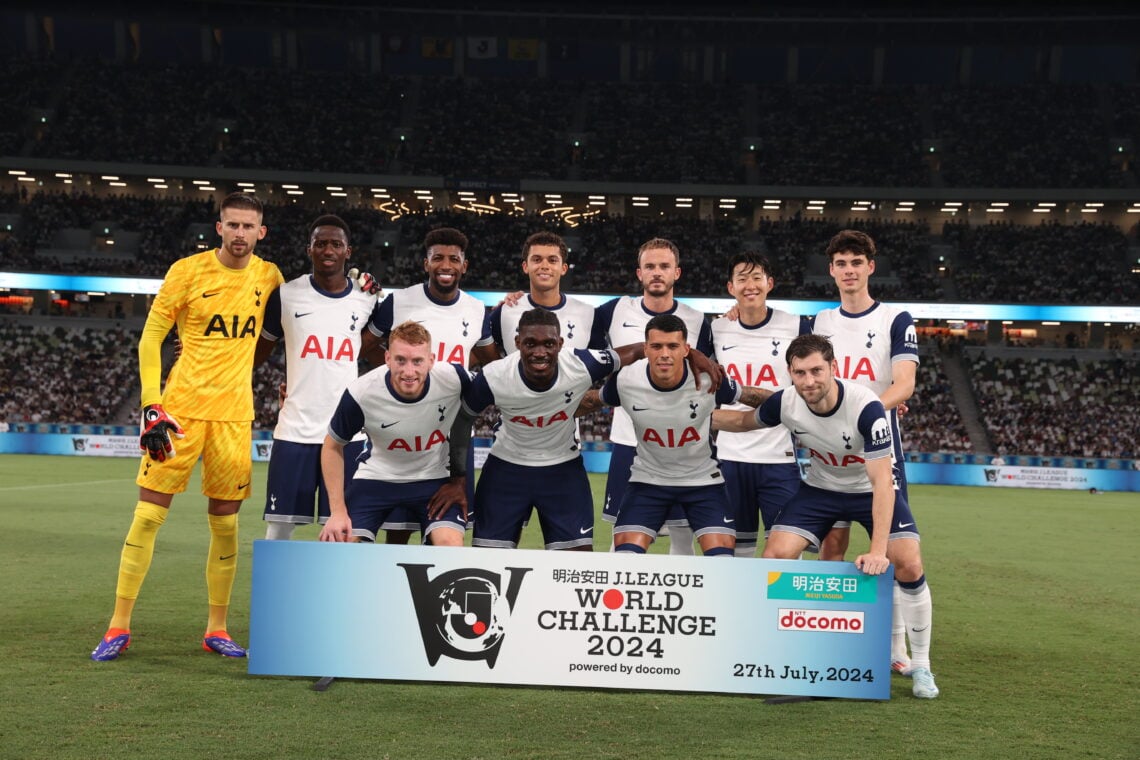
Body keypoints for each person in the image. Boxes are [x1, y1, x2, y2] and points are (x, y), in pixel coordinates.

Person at [91, 192, 284, 661]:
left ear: (262, 233)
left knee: (225, 523)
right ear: (219, 228)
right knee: (149, 515)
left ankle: (217, 628)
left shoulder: (270, 276)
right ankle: (118, 626)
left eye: (248, 227)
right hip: (179, 414)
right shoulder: (187, 271)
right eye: (232, 225)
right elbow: (152, 337)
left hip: (234, 417)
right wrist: (151, 405)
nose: (240, 234)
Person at [713, 334, 938, 699]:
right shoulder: (787, 401)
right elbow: (742, 423)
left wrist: (878, 551)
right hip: (821, 489)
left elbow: (882, 483)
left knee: (908, 563)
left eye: (817, 370)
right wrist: (683, 412)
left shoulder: (866, 408)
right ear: (790, 373)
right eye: (800, 372)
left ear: (833, 368)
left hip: (870, 491)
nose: (809, 380)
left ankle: (922, 665)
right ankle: (784, 651)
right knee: (775, 556)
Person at [812, 229, 921, 677]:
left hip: (879, 451)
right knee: (831, 547)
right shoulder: (819, 322)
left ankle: (895, 648)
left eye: (857, 262)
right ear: (831, 270)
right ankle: (828, 640)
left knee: (896, 555)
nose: (849, 270)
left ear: (870, 267)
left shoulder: (896, 318)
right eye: (841, 263)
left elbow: (904, 383)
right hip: (827, 455)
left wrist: (867, 413)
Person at [462, 309, 651, 551]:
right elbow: (462, 418)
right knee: (488, 561)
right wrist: (457, 477)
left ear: (560, 344)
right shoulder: (494, 376)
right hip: (505, 470)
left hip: (562, 471)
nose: (540, 352)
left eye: (549, 343)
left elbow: (637, 350)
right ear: (517, 343)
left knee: (576, 565)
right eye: (530, 343)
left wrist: (694, 355)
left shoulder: (582, 364)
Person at [581, 314, 765, 557]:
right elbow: (589, 401)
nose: (664, 353)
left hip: (703, 482)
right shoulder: (626, 380)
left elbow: (751, 397)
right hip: (648, 481)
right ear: (645, 349)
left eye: (673, 346)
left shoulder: (709, 379)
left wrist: (795, 403)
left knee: (722, 561)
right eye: (656, 346)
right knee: (624, 559)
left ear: (686, 349)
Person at [364, 227, 498, 544]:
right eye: (437, 258)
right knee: (397, 537)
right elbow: (365, 347)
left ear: (465, 265)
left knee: (446, 538)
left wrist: (461, 380)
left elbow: (490, 361)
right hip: (402, 434)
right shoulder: (399, 302)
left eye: (454, 258)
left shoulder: (477, 309)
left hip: (452, 439)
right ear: (426, 263)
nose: (446, 265)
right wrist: (392, 381)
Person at [255, 215, 381, 541]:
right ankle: (276, 592)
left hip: (345, 435)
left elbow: (375, 351)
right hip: (295, 430)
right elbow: (257, 353)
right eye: (320, 243)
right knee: (280, 526)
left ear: (348, 251)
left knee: (343, 531)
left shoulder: (367, 297)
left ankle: (334, 593)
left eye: (336, 244)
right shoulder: (285, 295)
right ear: (309, 248)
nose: (328, 249)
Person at [589, 238, 714, 555]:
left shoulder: (699, 320)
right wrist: (516, 298)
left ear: (677, 273)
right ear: (639, 273)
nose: (657, 273)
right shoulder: (614, 311)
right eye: (650, 266)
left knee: (683, 537)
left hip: (683, 445)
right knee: (625, 534)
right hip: (629, 439)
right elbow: (571, 321)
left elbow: (711, 376)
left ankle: (682, 603)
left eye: (664, 266)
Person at [319, 321, 471, 545]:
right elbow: (332, 446)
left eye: (417, 361)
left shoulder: (455, 378)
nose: (409, 371)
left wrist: (459, 482)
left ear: (431, 360)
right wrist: (337, 511)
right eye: (401, 360)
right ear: (387, 358)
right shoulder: (361, 392)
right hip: (377, 478)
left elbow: (495, 389)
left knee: (449, 545)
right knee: (339, 544)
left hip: (433, 480)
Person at [712, 252, 810, 557]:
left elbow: (819, 380)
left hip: (777, 460)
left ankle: (777, 607)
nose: (749, 285)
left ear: (770, 283)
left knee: (783, 553)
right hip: (729, 458)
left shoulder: (796, 326)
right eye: (742, 278)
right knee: (734, 553)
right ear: (731, 287)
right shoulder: (716, 329)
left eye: (757, 278)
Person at [489, 231, 596, 354]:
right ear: (525, 266)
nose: (544, 266)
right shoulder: (505, 311)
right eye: (537, 259)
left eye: (552, 260)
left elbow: (604, 364)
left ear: (563, 268)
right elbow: (478, 351)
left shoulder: (588, 314)